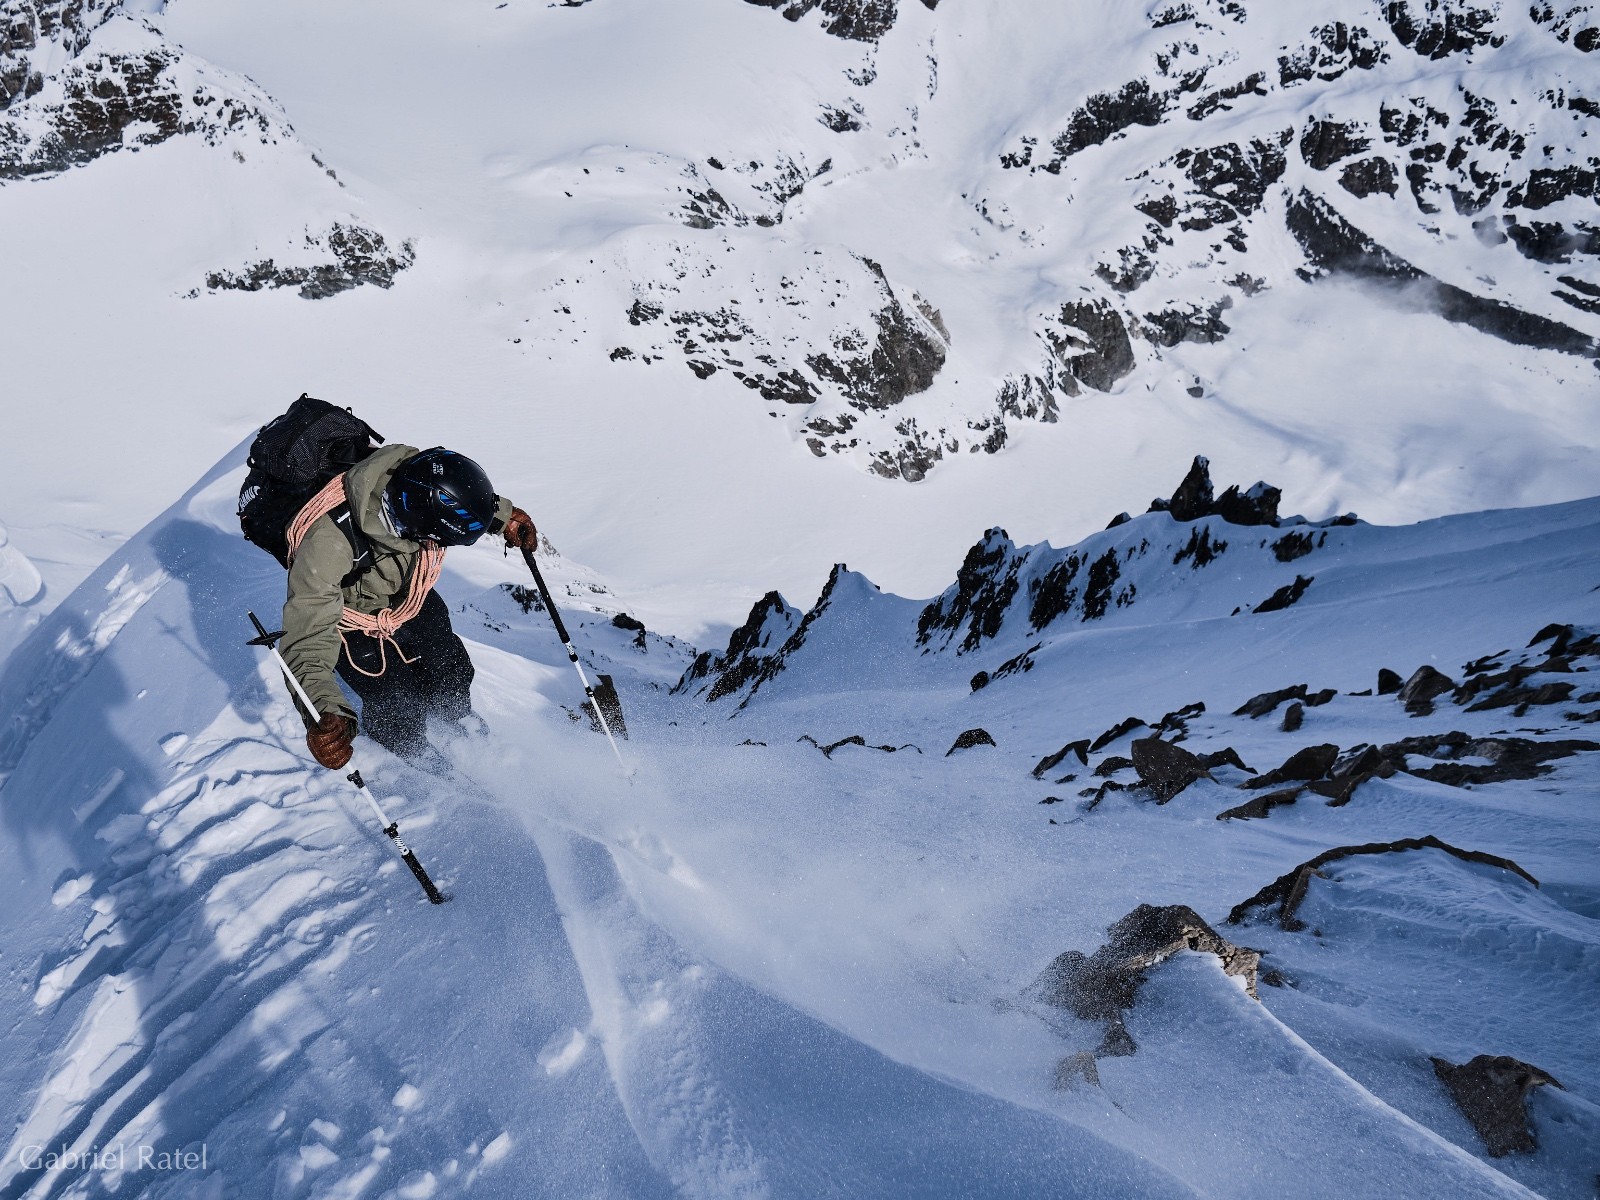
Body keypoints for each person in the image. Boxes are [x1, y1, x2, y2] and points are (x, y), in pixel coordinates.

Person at [278, 444, 537, 770]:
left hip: (405, 592)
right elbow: (307, 638)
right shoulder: (328, 545)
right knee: (393, 694)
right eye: (438, 539)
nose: (438, 548)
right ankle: (407, 743)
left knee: (448, 662)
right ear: (416, 526)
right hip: (352, 617)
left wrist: (502, 517)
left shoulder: (412, 471)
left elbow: (453, 487)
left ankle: (458, 717)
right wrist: (324, 710)